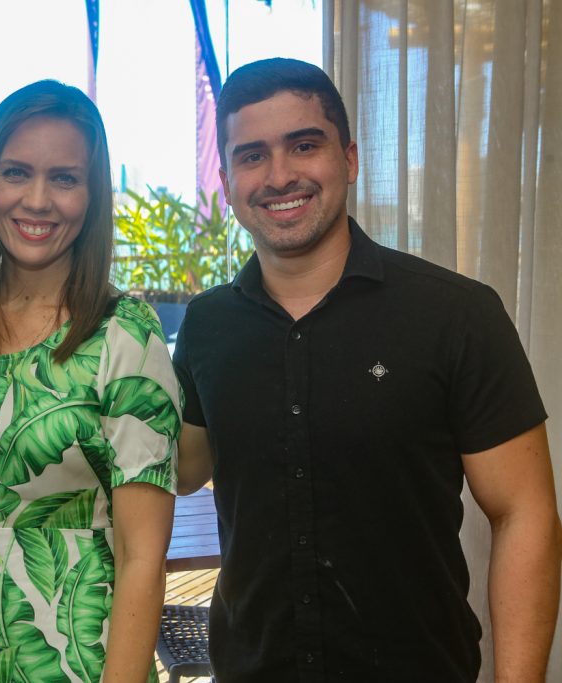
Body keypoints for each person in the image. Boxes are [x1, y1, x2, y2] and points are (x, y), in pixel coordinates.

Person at [173, 57, 562, 682]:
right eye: (252, 155)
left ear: (348, 159)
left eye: (304, 145)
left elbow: (524, 512)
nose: (279, 175)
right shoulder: (207, 326)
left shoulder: (455, 314)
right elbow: (182, 469)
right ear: (227, 177)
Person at [0, 80, 181, 683]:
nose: (37, 200)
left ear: (91, 195)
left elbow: (144, 556)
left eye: (63, 178)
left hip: (75, 656)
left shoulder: (124, 337)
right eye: (15, 172)